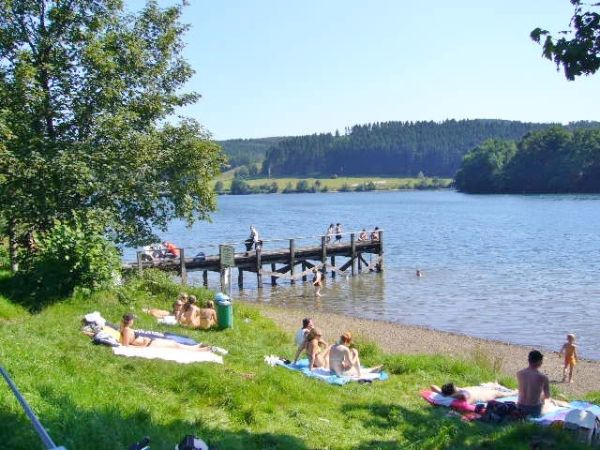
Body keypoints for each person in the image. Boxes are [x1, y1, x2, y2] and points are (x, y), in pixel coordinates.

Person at [119, 313, 211, 351]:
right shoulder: (127, 330)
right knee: (175, 346)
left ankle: (197, 347)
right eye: (133, 320)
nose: (134, 321)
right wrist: (142, 347)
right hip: (150, 344)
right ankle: (199, 350)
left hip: (150, 342)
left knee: (174, 344)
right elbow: (125, 346)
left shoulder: (125, 328)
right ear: (130, 321)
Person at [516, 350, 550, 418]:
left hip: (520, 407)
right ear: (539, 362)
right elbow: (547, 396)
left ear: (529, 360)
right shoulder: (543, 377)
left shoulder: (519, 373)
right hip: (534, 409)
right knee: (547, 403)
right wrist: (542, 398)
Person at [430, 382, 516, 404]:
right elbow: (462, 395)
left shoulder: (452, 394)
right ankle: (514, 393)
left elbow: (432, 386)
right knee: (498, 393)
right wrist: (451, 395)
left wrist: (441, 393)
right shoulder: (461, 395)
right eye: (456, 388)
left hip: (478, 392)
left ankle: (510, 391)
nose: (458, 387)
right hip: (485, 395)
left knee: (491, 388)